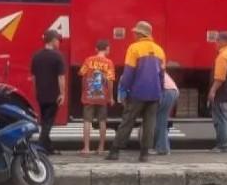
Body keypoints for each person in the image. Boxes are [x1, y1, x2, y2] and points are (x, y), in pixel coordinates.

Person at [106, 21, 166, 162]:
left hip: (137, 93)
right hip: (154, 93)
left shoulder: (134, 48)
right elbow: (162, 75)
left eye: (135, 32)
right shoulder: (159, 50)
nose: (133, 34)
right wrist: (160, 91)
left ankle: (115, 151)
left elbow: (129, 72)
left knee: (128, 121)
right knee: (149, 123)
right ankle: (144, 154)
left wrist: (123, 90)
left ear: (140, 34)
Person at [30, 30, 66, 153]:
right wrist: (62, 93)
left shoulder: (36, 56)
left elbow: (34, 77)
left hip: (41, 94)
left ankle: (48, 147)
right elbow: (61, 77)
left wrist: (36, 91)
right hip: (53, 94)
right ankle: (40, 146)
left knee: (45, 120)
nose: (59, 43)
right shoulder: (58, 56)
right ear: (53, 40)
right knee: (48, 122)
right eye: (58, 40)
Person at [77, 39, 115, 155]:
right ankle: (101, 148)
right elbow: (110, 81)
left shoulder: (88, 60)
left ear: (96, 49)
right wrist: (111, 97)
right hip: (102, 97)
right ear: (107, 49)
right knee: (102, 121)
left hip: (89, 95)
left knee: (87, 121)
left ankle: (86, 148)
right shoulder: (109, 63)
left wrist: (84, 90)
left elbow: (82, 75)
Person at [153, 70, 179, 156]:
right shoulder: (154, 66)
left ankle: (163, 149)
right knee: (161, 121)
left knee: (160, 121)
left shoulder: (144, 70)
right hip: (172, 91)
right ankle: (162, 147)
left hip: (166, 91)